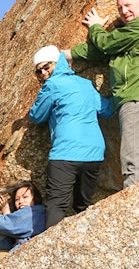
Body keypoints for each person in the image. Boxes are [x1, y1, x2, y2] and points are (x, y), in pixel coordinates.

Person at [65, 0, 139, 188]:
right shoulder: (137, 31)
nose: (124, 11)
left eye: (128, 5)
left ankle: (136, 207)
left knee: (134, 159)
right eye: (120, 7)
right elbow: (105, 51)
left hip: (136, 100)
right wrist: (70, 54)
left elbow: (106, 43)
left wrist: (95, 27)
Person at [27, 45, 114, 227]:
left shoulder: (52, 85)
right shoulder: (85, 84)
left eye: (46, 67)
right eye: (38, 71)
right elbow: (106, 109)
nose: (43, 73)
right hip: (94, 153)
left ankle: (49, 250)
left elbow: (36, 116)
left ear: (57, 63)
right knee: (83, 205)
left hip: (65, 153)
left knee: (57, 205)